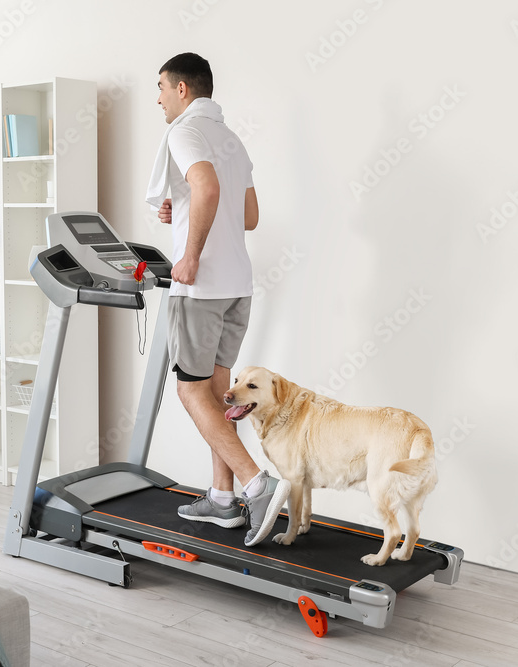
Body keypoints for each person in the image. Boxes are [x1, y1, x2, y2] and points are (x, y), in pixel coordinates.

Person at [146, 52, 290, 547]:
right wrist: (181, 204)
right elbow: (246, 215)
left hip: (202, 286)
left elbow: (205, 187)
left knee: (190, 392)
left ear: (183, 90)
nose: (158, 97)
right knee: (218, 392)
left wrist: (188, 255)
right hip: (238, 288)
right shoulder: (231, 138)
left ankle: (257, 486)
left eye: (161, 87)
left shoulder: (184, 132)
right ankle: (222, 500)